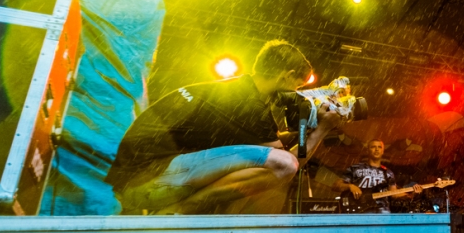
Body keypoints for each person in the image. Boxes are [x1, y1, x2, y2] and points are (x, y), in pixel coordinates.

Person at [106, 40, 341, 214]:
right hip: (144, 179)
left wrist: (307, 128)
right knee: (283, 165)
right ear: (286, 76)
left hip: (134, 177)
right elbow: (292, 159)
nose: (296, 95)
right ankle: (182, 211)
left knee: (257, 168)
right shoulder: (248, 104)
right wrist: (323, 128)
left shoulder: (235, 91)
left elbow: (272, 142)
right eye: (297, 87)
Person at [331, 139, 422, 213]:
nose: (377, 149)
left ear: (382, 151)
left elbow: (394, 193)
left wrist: (412, 193)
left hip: (382, 215)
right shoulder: (355, 168)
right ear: (368, 150)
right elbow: (336, 186)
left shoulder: (388, 173)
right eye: (373, 147)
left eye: (379, 147)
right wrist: (350, 186)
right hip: (359, 213)